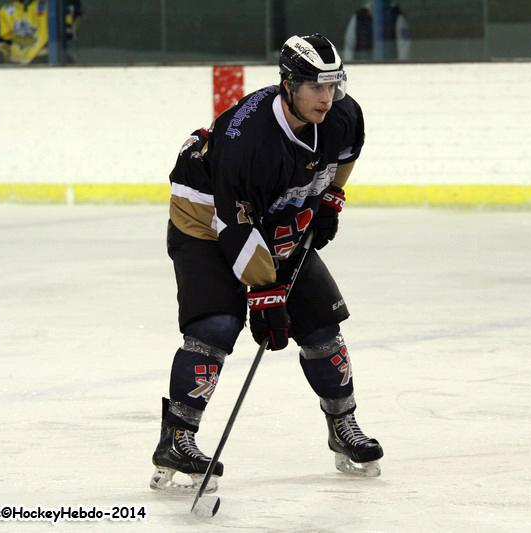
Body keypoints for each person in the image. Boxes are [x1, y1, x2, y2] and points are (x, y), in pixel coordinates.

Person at [150, 33, 384, 494]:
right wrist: (265, 295)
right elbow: (233, 226)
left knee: (320, 325)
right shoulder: (247, 139)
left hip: (274, 209)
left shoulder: (342, 113)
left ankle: (343, 426)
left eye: (333, 85)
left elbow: (346, 155)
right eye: (316, 87)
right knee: (216, 324)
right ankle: (177, 438)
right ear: (288, 84)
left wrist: (332, 197)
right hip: (204, 215)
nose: (327, 97)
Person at [0, 0, 81, 64]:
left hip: (46, 71)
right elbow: (4, 43)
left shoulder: (55, 6)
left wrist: (46, 57)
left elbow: (66, 40)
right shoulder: (5, 11)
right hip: (15, 73)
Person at [343, 1, 411, 61]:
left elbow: (404, 47)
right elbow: (349, 47)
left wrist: (400, 69)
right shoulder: (358, 17)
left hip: (389, 69)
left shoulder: (397, 16)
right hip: (363, 68)